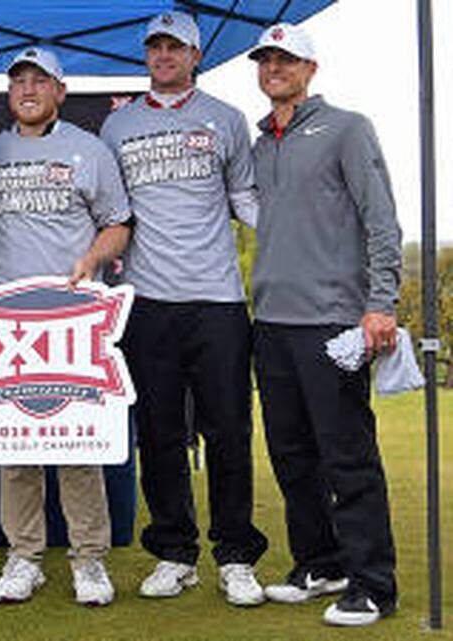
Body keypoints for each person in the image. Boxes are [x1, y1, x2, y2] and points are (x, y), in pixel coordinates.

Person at [98, 11, 268, 606]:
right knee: (160, 432)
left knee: (229, 430)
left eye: (176, 47)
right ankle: (174, 552)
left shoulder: (226, 118)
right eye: (156, 47)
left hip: (219, 299)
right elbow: (109, 213)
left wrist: (300, 238)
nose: (165, 55)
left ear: (196, 56)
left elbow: (247, 197)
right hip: (147, 302)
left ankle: (236, 554)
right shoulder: (117, 127)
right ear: (146, 56)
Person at [248, 23, 400, 627]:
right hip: (274, 323)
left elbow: (381, 221)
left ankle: (373, 584)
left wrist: (381, 303)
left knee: (347, 456)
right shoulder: (263, 144)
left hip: (333, 321)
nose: (273, 69)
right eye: (266, 61)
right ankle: (321, 562)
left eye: (286, 60)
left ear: (310, 70)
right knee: (291, 454)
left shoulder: (347, 128)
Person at [0, 46, 132, 607]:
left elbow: (118, 223)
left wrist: (91, 261)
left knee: (76, 444)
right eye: (18, 80)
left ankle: (88, 559)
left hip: (72, 316)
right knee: (16, 447)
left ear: (60, 92)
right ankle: (24, 558)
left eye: (40, 80)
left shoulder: (89, 150)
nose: (28, 89)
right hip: (7, 321)